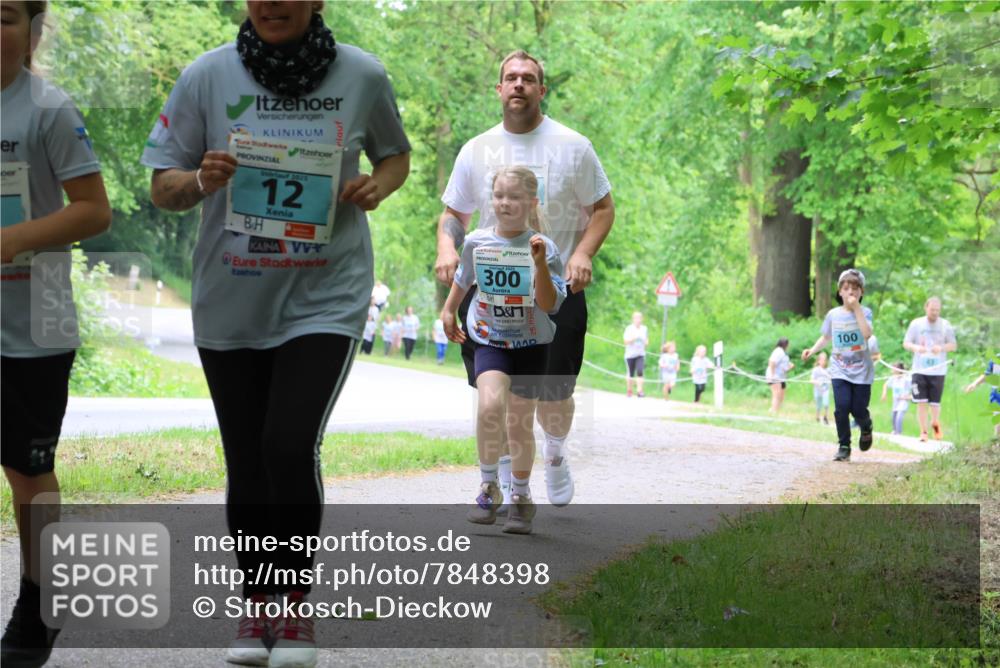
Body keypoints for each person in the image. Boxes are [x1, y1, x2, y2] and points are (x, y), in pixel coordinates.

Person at [141, 2, 410, 665]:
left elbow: (395, 157)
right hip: (231, 298)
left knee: (287, 444)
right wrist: (200, 179)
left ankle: (292, 610)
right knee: (247, 456)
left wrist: (378, 185)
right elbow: (160, 187)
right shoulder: (207, 77)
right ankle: (255, 602)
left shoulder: (362, 75)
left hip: (327, 294)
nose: (273, 2)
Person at [434, 50, 614, 508]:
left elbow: (603, 208)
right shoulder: (476, 149)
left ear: (541, 90)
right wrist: (447, 247)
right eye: (510, 78)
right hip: (493, 294)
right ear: (498, 89)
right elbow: (454, 214)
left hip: (556, 285)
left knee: (555, 396)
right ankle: (511, 488)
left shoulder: (573, 145)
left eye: (528, 78)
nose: (518, 84)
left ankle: (554, 451)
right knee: (501, 398)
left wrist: (582, 253)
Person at [1, 3, 113, 663]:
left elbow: (93, 210)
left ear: (32, 30)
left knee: (25, 470)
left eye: (7, 15)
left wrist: (13, 240)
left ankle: (40, 603)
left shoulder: (49, 109)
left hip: (32, 325)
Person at [440, 166, 566, 535]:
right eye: (499, 196)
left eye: (514, 197)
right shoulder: (477, 241)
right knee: (490, 406)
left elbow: (549, 304)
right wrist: (449, 310)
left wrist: (539, 263)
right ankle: (488, 486)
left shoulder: (545, 246)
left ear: (531, 201)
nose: (505, 203)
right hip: (490, 337)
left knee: (518, 422)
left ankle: (521, 498)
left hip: (531, 343)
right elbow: (464, 279)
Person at [802, 269, 874, 462]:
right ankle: (844, 446)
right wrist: (813, 350)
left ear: (861, 292)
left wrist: (856, 308)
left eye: (855, 289)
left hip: (861, 370)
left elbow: (867, 334)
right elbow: (826, 337)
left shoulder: (865, 312)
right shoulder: (833, 315)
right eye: (846, 288)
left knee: (858, 409)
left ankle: (866, 425)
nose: (850, 292)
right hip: (839, 368)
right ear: (840, 292)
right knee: (842, 407)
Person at [903, 297, 958, 441]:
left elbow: (953, 345)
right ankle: (923, 432)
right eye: (932, 309)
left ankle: (935, 424)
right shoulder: (916, 324)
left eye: (937, 310)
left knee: (934, 403)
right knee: (921, 402)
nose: (935, 313)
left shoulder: (945, 325)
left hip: (938, 370)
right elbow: (906, 343)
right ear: (926, 308)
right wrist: (916, 347)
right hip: (919, 370)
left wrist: (941, 348)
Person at [964, 355, 1000, 440]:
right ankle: (996, 444)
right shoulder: (996, 359)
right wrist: (974, 384)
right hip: (997, 397)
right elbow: (987, 375)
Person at [881, 361, 912, 435]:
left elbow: (915, 387)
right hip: (896, 401)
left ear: (898, 369)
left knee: (899, 416)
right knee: (893, 416)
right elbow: (885, 384)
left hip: (903, 401)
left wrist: (910, 397)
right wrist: (884, 393)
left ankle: (899, 432)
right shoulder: (893, 378)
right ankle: (894, 431)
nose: (892, 370)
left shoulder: (906, 379)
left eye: (893, 368)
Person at [765, 337, 794, 414]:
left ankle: (776, 410)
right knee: (776, 394)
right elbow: (771, 362)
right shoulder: (778, 351)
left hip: (781, 377)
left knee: (781, 395)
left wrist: (790, 367)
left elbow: (783, 367)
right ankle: (773, 411)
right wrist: (772, 374)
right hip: (775, 376)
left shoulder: (783, 353)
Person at [623, 311, 648, 397]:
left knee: (640, 371)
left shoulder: (644, 328)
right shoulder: (629, 328)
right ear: (633, 319)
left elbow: (646, 340)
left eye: (640, 318)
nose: (638, 320)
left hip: (640, 354)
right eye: (636, 318)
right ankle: (629, 390)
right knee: (630, 373)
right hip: (630, 355)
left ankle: (639, 391)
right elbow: (625, 342)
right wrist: (634, 338)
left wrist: (645, 342)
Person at [810, 351, 831, 425]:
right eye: (821, 360)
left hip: (826, 390)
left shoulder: (828, 370)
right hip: (817, 390)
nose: (823, 361)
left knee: (826, 403)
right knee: (818, 405)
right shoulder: (815, 370)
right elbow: (811, 380)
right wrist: (817, 383)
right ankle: (817, 416)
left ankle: (825, 417)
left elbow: (831, 379)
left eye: (825, 360)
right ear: (818, 361)